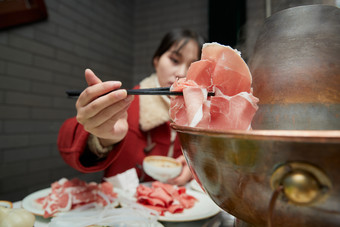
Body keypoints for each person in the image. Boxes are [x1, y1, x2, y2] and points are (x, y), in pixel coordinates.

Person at [58, 29, 204, 186]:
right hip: (122, 205)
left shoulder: (201, 116)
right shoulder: (129, 103)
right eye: (175, 60)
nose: (182, 73)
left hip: (178, 204)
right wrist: (101, 138)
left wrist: (194, 166)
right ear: (156, 60)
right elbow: (67, 140)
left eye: (192, 66)